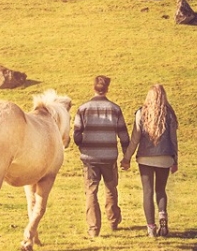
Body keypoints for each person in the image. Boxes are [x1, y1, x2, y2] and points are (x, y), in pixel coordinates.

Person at [73, 75, 130, 238]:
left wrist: (83, 144)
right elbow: (123, 135)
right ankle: (113, 222)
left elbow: (76, 134)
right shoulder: (115, 109)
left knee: (91, 191)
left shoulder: (83, 109)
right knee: (111, 188)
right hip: (109, 157)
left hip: (90, 158)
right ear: (107, 89)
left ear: (94, 88)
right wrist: (126, 155)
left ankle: (93, 228)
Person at [121, 84, 178, 238]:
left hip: (145, 157)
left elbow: (135, 139)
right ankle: (162, 216)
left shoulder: (141, 113)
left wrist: (127, 158)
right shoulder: (169, 115)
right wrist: (175, 160)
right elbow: (173, 139)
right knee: (160, 190)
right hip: (165, 157)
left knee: (147, 191)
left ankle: (151, 228)